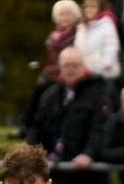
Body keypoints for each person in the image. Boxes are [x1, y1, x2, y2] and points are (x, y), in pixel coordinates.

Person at [25, 46, 112, 184]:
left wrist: (89, 154)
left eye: (75, 65)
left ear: (83, 66)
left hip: (88, 175)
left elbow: (102, 128)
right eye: (66, 65)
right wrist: (37, 153)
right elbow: (37, 126)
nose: (70, 69)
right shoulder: (51, 94)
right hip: (59, 172)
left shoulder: (100, 93)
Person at [20, 0, 82, 137]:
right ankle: (27, 125)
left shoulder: (78, 34)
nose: (64, 18)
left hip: (66, 71)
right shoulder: (53, 35)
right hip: (53, 71)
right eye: (61, 14)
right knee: (38, 90)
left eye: (68, 14)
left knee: (45, 87)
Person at [75, 0, 121, 92]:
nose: (89, 9)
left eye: (93, 6)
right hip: (86, 73)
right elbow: (77, 47)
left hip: (104, 74)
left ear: (100, 8)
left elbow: (112, 46)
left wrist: (105, 64)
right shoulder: (81, 27)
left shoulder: (106, 24)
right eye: (87, 7)